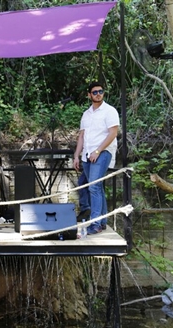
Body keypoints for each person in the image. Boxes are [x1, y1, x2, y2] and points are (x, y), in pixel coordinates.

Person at [73, 82, 119, 235]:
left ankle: (95, 224)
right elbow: (82, 136)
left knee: (93, 186)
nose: (98, 94)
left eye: (100, 91)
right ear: (89, 95)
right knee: (95, 186)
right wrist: (76, 156)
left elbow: (113, 133)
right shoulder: (86, 114)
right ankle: (103, 221)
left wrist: (98, 151)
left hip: (103, 152)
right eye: (95, 92)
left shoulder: (109, 111)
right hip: (87, 154)